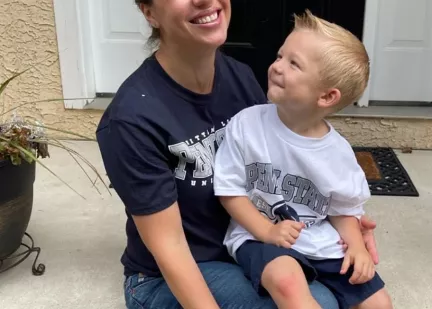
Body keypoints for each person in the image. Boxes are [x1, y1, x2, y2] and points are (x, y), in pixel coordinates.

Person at [95, 0, 379, 308]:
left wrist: (346, 228)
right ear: (149, 12)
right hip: (165, 278)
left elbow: (283, 166)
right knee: (318, 300)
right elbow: (170, 247)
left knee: (346, 289)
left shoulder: (238, 77)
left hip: (246, 246)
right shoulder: (132, 119)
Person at [213, 10, 393, 309]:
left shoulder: (337, 153)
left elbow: (341, 209)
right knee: (289, 283)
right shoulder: (246, 125)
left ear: (326, 97)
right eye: (280, 56)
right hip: (258, 239)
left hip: (320, 242)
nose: (277, 67)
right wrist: (266, 231)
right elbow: (229, 192)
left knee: (378, 303)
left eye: (294, 64)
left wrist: (357, 247)